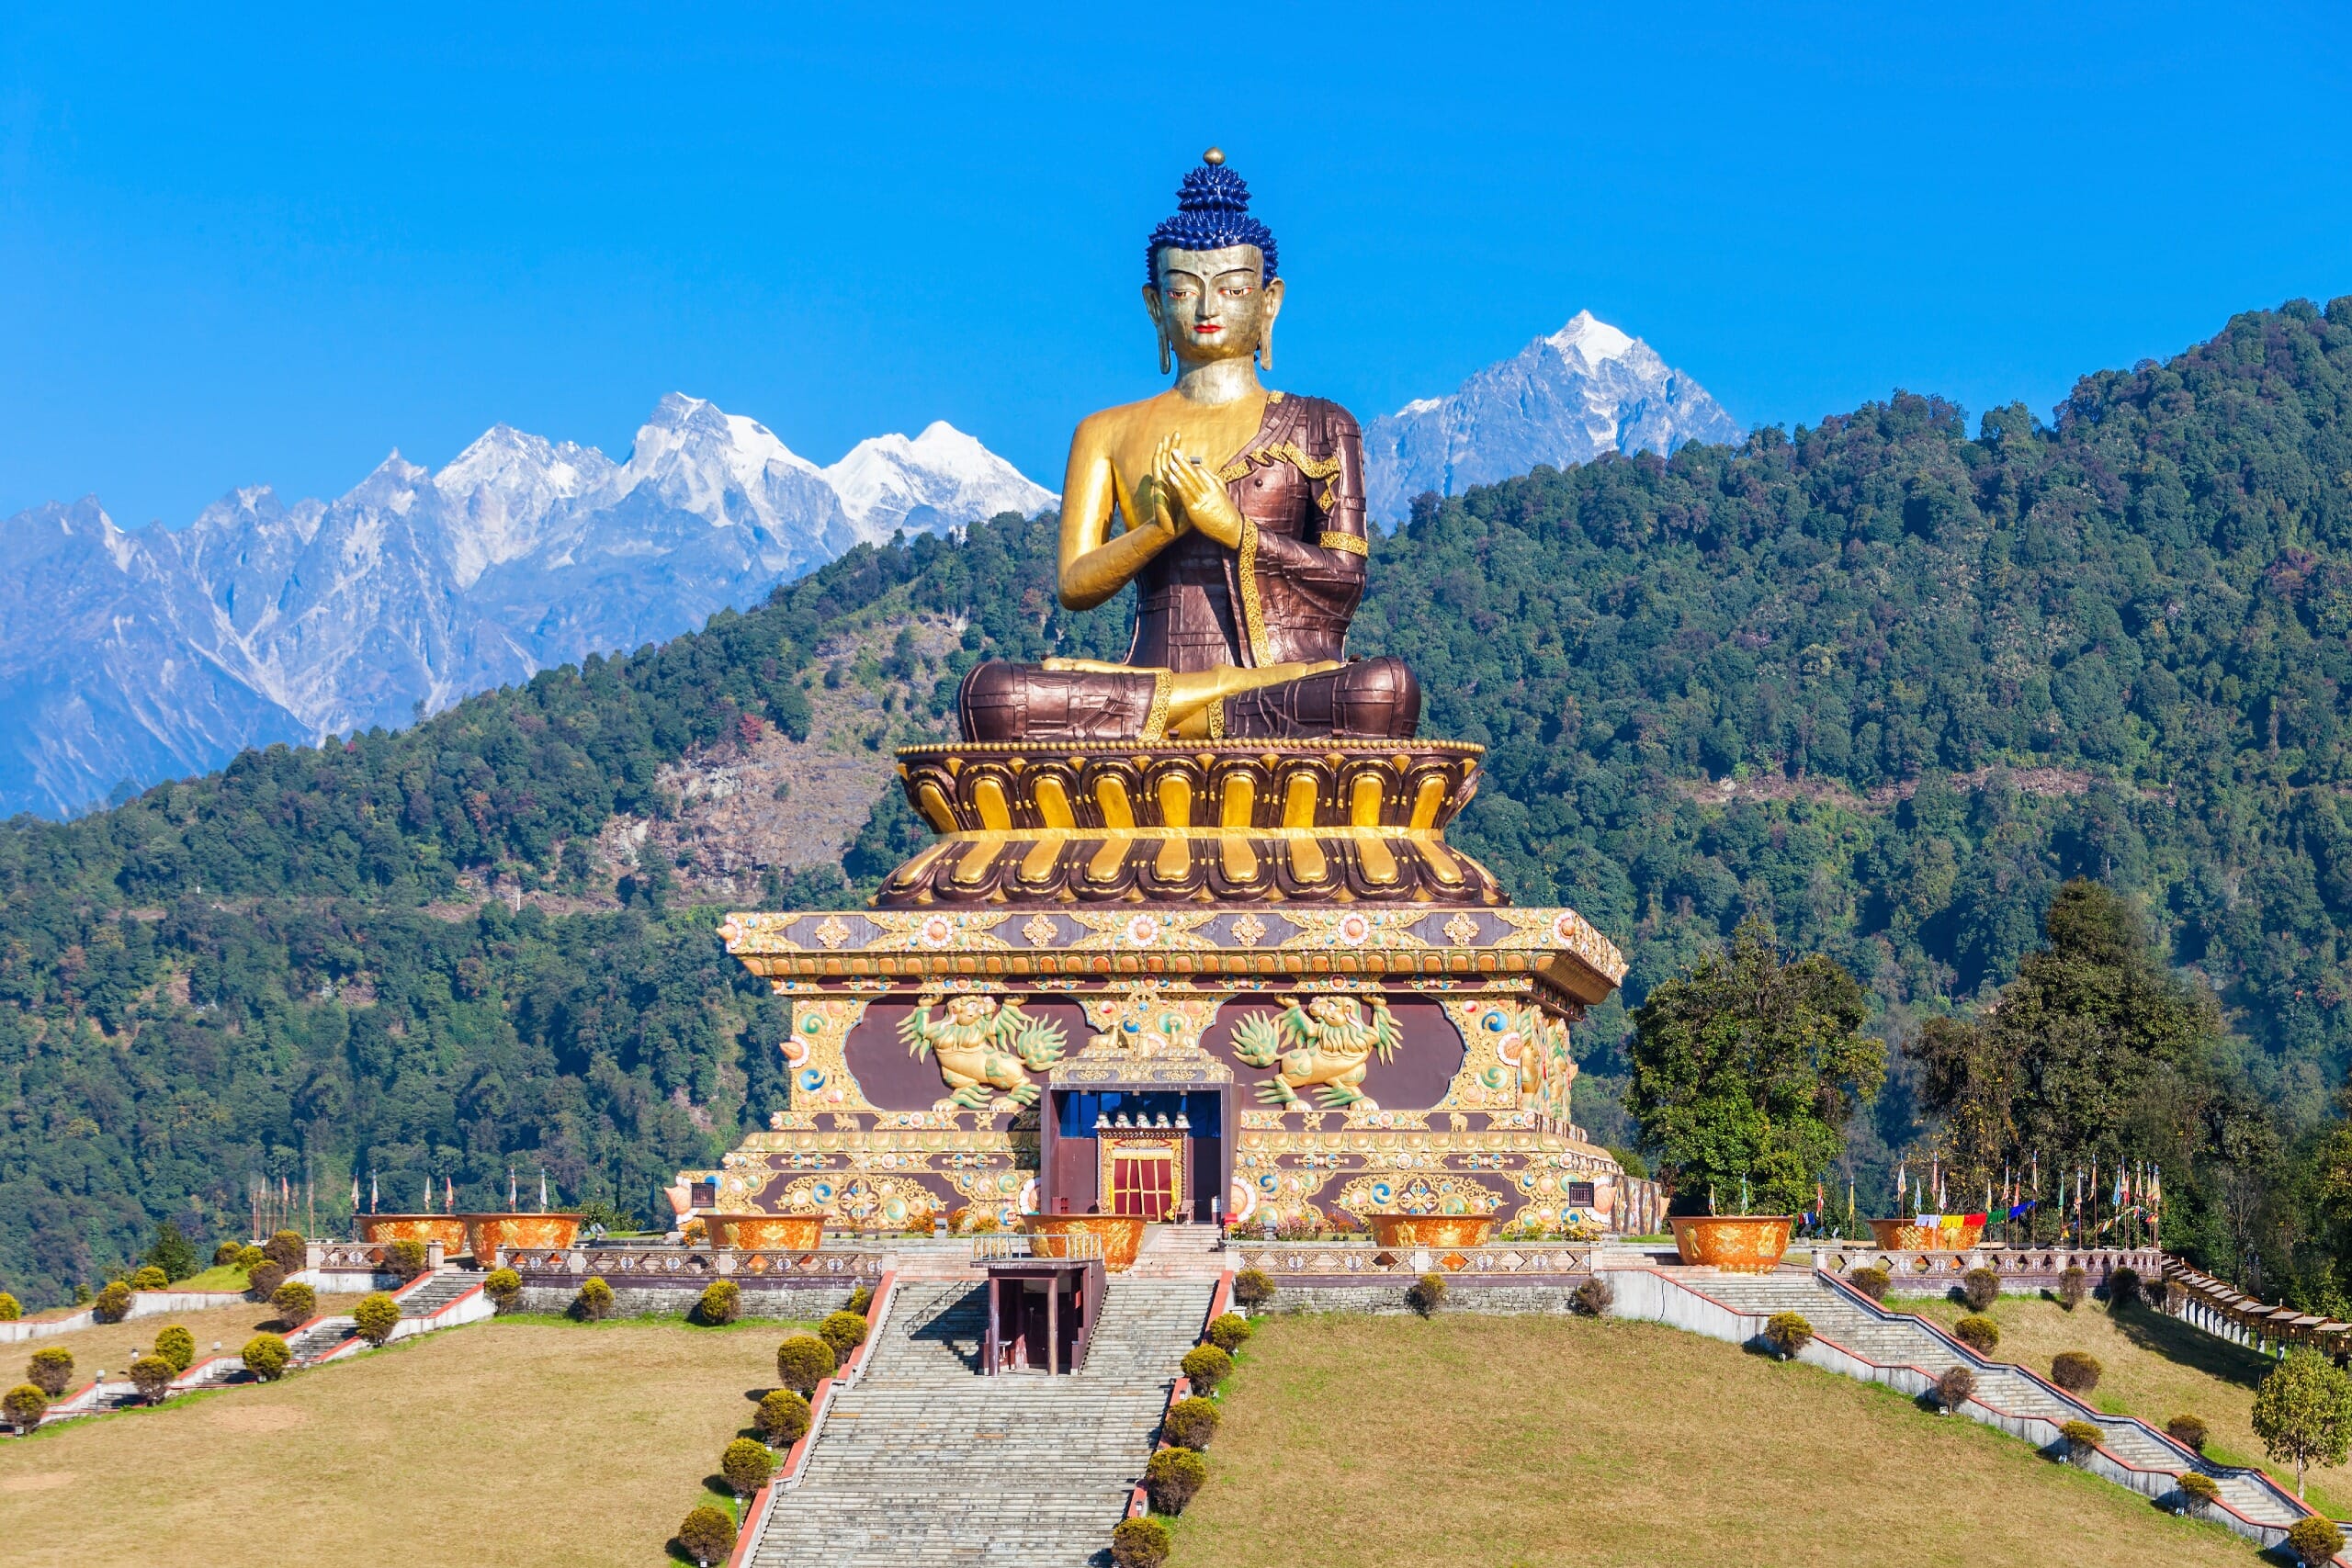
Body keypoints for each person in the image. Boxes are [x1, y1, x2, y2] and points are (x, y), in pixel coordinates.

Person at [958, 149, 1418, 743]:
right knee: (994, 696)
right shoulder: (1105, 431)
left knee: (1382, 691)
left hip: (1282, 679)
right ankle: (1209, 703)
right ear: (1155, 304)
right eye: (1184, 291)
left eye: (1230, 289)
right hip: (1160, 678)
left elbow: (1346, 578)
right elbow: (1074, 584)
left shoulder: (1323, 424)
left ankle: (1179, 714)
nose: (1206, 308)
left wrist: (1233, 530)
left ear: (1268, 300)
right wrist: (1160, 530)